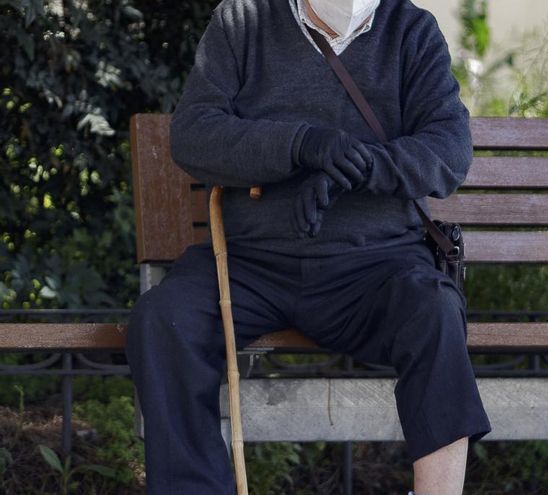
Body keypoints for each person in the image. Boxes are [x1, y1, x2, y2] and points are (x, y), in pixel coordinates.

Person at [123, 0, 492, 493]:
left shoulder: (411, 30)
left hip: (375, 266)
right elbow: (193, 134)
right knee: (164, 319)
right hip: (251, 264)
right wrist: (302, 146)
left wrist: (358, 169)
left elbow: (449, 150)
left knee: (436, 312)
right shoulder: (243, 21)